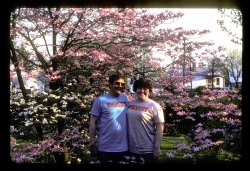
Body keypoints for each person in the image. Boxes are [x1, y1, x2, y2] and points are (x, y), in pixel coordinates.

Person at [89, 73, 129, 164]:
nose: (120, 86)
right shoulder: (100, 100)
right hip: (105, 147)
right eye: (117, 83)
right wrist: (92, 142)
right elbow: (92, 122)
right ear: (110, 84)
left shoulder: (125, 99)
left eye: (122, 84)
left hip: (123, 147)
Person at [127, 78, 165, 164]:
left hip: (147, 150)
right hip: (131, 148)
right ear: (135, 89)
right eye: (139, 88)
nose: (142, 91)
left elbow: (160, 127)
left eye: (145, 89)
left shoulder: (154, 106)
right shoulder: (130, 104)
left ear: (149, 90)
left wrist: (157, 147)